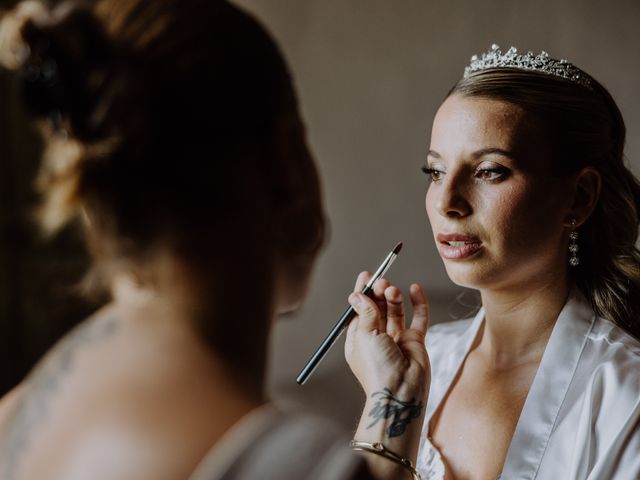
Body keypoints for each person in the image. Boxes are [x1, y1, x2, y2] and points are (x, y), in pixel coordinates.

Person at [0, 1, 408, 478]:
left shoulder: (20, 412)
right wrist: (394, 409)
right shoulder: (286, 461)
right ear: (286, 164)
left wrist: (391, 391)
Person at [346, 44, 640, 479]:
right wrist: (392, 401)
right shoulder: (424, 363)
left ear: (579, 196)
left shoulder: (625, 396)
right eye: (436, 172)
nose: (447, 202)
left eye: (489, 171)